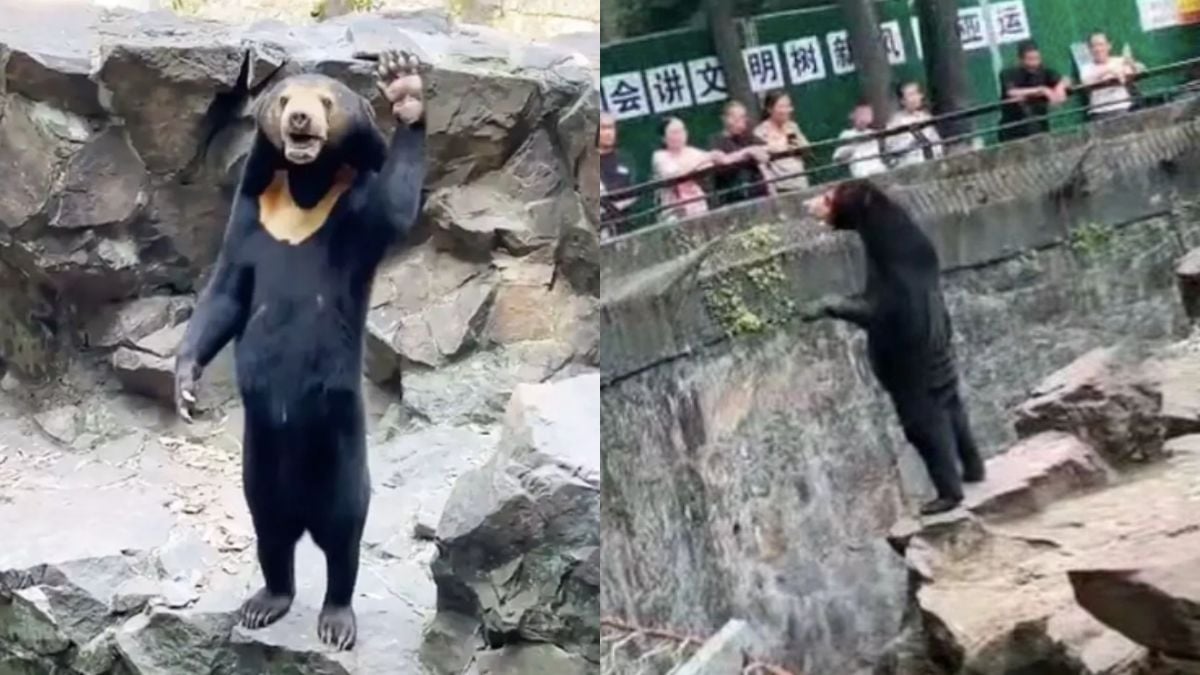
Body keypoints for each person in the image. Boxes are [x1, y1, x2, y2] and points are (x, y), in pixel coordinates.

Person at [998, 40, 1070, 142]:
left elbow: (1065, 79)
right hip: (1013, 131)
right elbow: (1011, 92)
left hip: (1039, 127)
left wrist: (1060, 86)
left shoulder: (1043, 70)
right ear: (1020, 59)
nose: (1034, 63)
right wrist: (1041, 90)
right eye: (1030, 59)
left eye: (1037, 59)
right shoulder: (1008, 73)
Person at [708, 101, 771, 207]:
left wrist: (756, 150)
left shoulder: (748, 136)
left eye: (743, 117)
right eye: (736, 118)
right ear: (726, 119)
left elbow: (765, 148)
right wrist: (746, 152)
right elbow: (722, 159)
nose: (741, 122)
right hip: (732, 195)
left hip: (757, 190)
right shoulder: (716, 140)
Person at [651, 116, 715, 222]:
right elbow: (674, 174)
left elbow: (710, 163)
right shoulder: (659, 156)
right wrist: (701, 161)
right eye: (674, 132)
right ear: (663, 138)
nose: (680, 135)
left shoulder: (693, 152)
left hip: (698, 206)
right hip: (673, 212)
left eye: (682, 130)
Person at [754, 90, 811, 193]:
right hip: (780, 187)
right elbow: (762, 161)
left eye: (788, 106)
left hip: (800, 182)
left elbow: (806, 150)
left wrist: (800, 147)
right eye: (781, 107)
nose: (787, 110)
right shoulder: (761, 132)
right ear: (769, 109)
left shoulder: (792, 126)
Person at [1080, 31, 1144, 120]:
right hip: (1099, 112)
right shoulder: (1086, 68)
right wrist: (1111, 70)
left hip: (1124, 107)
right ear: (1089, 49)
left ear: (1109, 46)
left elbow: (1140, 70)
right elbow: (1086, 81)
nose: (1098, 49)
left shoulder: (1119, 61)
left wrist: (1132, 64)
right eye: (1094, 46)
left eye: (1101, 44)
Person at [886, 81, 943, 168]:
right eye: (911, 95)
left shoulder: (926, 117)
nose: (916, 98)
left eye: (917, 93)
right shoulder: (895, 123)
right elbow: (892, 149)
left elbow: (937, 142)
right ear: (902, 101)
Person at [599, 112, 637, 238]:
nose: (609, 133)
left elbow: (634, 189)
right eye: (603, 128)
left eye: (611, 127)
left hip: (628, 224)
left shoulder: (625, 158)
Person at [832, 100, 888, 178]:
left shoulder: (873, 133)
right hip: (861, 173)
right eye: (861, 114)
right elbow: (838, 159)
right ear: (852, 115)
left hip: (878, 170)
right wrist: (853, 144)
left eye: (867, 114)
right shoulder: (846, 134)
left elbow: (881, 154)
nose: (864, 118)